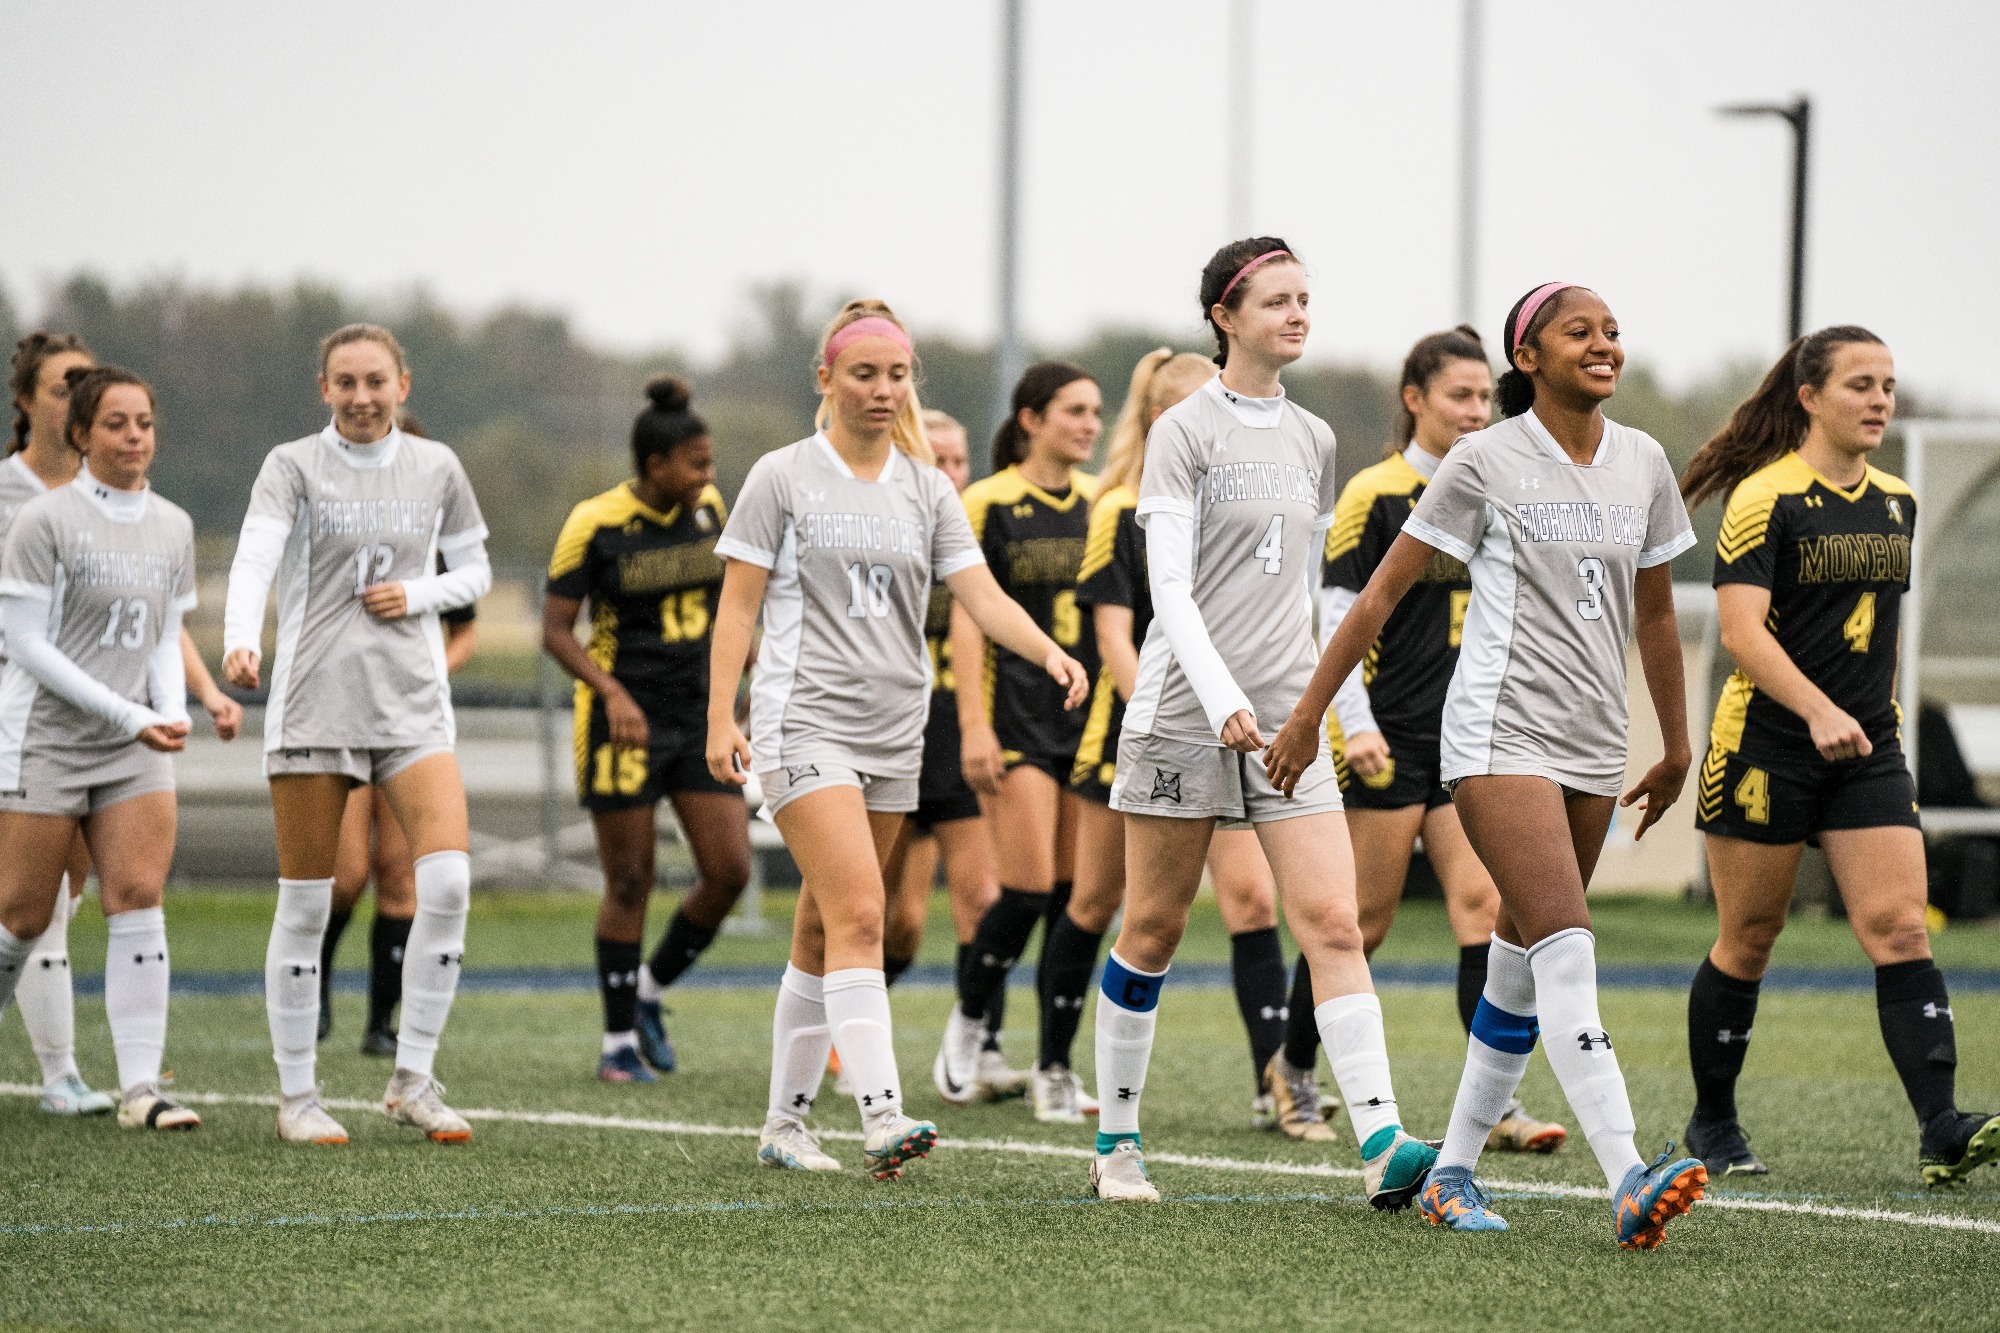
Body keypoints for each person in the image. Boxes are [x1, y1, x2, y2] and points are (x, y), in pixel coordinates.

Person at [1268, 281, 1707, 1246]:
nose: (1604, 345)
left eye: (1613, 332)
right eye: (1578, 332)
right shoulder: (1483, 458)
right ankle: (1627, 1169)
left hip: (1596, 739)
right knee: (1567, 935)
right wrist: (1309, 718)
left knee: (1515, 962)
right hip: (1497, 735)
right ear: (1529, 358)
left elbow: (1660, 615)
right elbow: (1376, 598)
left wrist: (1676, 743)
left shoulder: (1642, 459)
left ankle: (1453, 1171)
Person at [1086, 238, 1435, 1209]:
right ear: (1223, 316)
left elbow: (1306, 596)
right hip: (1184, 717)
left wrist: (1309, 707)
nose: (1295, 314)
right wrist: (1221, 698)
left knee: (1332, 920)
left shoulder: (1315, 438)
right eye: (1274, 300)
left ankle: (1379, 1139)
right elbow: (1167, 589)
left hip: (1284, 721)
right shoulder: (1182, 431)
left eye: (1303, 299)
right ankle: (1115, 1142)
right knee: (1150, 929)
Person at [706, 300, 1086, 1179]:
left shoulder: (925, 486)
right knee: (865, 914)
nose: (882, 390)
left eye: (897, 373)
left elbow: (981, 596)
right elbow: (739, 605)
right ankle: (882, 1112)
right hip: (805, 723)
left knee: (819, 926)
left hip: (895, 730)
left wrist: (1047, 649)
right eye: (864, 373)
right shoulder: (783, 476)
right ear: (826, 380)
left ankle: (783, 1124)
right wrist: (722, 714)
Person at [1679, 325, 1998, 1187]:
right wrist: (1816, 709)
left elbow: (1879, 636)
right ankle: (1712, 1123)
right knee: (1749, 938)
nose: (1880, 400)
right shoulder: (1765, 496)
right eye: (1860, 384)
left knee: (1899, 926)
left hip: (1865, 748)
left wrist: (1867, 717)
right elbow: (1742, 632)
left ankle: (1941, 1125)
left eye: (1888, 384)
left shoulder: (1898, 498)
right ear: (1810, 397)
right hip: (1765, 746)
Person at [1271, 326, 1566, 1154]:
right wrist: (1353, 726)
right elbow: (1337, 611)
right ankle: (1292, 1070)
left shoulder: (1500, 490)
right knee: (1359, 922)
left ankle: (1495, 1103)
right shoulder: (1376, 493)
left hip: (1471, 739)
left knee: (1485, 910)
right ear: (1416, 401)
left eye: (1484, 396)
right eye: (1459, 396)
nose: (1477, 411)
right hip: (1389, 738)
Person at [225, 323, 490, 1146]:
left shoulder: (438, 465)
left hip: (412, 703)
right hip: (314, 702)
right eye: (345, 381)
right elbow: (256, 556)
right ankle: (298, 1096)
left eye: (376, 380)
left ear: (402, 384)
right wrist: (243, 635)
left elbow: (475, 570)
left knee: (445, 885)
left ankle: (413, 1078)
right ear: (324, 388)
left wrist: (416, 595)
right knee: (308, 901)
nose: (362, 396)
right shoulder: (292, 464)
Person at [1036, 347, 1292, 1130]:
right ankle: (1050, 1063)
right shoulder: (1120, 508)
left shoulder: (1250, 497)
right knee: (1100, 900)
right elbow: (1113, 634)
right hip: (1145, 728)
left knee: (1250, 896)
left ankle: (1275, 1081)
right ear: (1163, 419)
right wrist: (1168, 713)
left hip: (1232, 728)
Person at [3, 333, 241, 1116]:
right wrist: (131, 711)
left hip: (135, 747)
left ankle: (142, 1088)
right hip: (48, 739)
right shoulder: (43, 520)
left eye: (143, 422)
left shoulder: (172, 524)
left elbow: (163, 634)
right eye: (115, 423)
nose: (134, 436)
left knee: (138, 894)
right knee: (23, 915)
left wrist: (170, 707)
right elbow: (30, 645)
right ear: (81, 433)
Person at [543, 376, 751, 1083]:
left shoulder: (711, 512)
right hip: (620, 721)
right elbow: (554, 630)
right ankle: (616, 1043)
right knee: (631, 878)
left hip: (697, 715)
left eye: (710, 463)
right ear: (656, 465)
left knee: (729, 870)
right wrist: (610, 692)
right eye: (696, 464)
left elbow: (732, 602)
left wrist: (741, 677)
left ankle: (651, 990)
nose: (707, 476)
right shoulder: (595, 522)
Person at [932, 362, 1101, 1106]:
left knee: (1078, 901)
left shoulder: (1104, 503)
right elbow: (970, 613)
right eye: (1073, 411)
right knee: (1028, 890)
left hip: (1087, 723)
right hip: (1016, 719)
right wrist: (972, 721)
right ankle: (969, 1024)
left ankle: (1054, 1068)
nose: (1090, 425)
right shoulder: (989, 500)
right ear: (1030, 418)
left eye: (1096, 411)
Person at [319, 411, 479, 1058]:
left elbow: (464, 623)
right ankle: (318, 983)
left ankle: (382, 1023)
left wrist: (434, 663)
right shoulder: (341, 527)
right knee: (347, 871)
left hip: (412, 715)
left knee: (401, 872)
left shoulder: (438, 533)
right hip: (345, 712)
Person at [877, 409, 1019, 1091]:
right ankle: (851, 1035)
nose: (953, 474)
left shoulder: (978, 541)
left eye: (961, 460)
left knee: (983, 899)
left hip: (960, 741)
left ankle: (981, 1042)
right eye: (938, 459)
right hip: (890, 739)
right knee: (893, 919)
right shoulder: (882, 532)